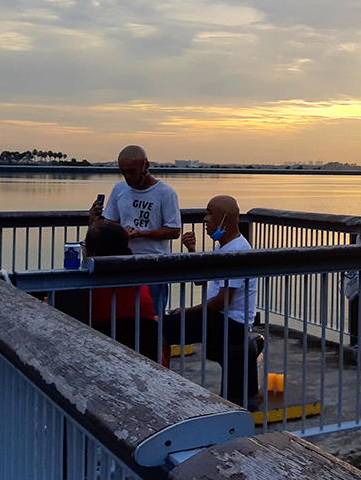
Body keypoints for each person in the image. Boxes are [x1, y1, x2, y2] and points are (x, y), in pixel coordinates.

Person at [164, 195, 260, 407]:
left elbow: (221, 302)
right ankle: (161, 379)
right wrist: (192, 252)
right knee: (161, 325)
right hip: (220, 317)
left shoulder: (236, 251)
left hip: (232, 323)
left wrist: (187, 311)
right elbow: (201, 281)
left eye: (209, 214)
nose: (205, 219)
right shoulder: (223, 246)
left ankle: (160, 383)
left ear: (225, 219)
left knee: (161, 328)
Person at [89, 145, 181, 314]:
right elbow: (109, 223)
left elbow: (174, 230)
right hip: (123, 265)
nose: (128, 177)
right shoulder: (119, 189)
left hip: (154, 266)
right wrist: (95, 222)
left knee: (153, 315)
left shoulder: (165, 193)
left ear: (146, 165)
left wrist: (140, 234)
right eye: (123, 172)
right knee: (122, 314)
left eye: (132, 171)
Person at [74, 221, 168, 366]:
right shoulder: (141, 286)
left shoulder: (86, 291)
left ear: (92, 254)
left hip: (101, 362)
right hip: (146, 362)